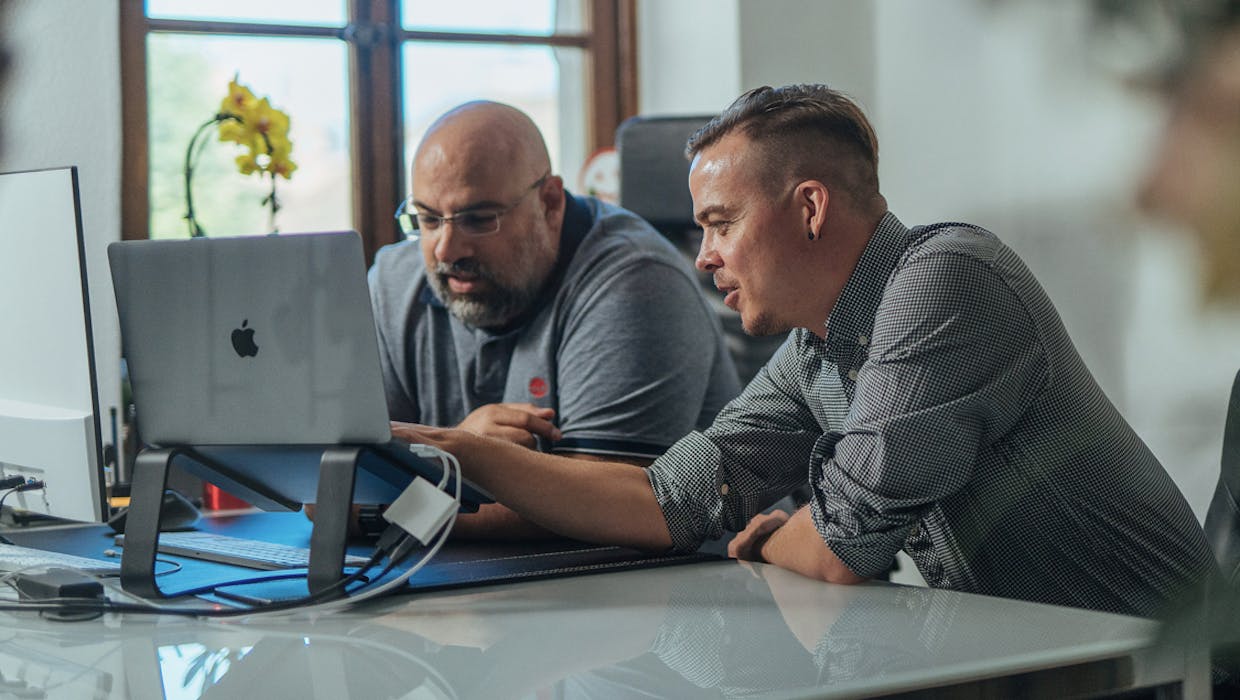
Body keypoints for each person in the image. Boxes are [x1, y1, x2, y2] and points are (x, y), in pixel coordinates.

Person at [396, 84, 1217, 618]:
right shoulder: (814, 352)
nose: (702, 256)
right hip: (1039, 665)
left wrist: (774, 534)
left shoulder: (946, 282)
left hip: (1160, 675)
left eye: (719, 223)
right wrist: (466, 455)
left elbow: (834, 552)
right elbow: (668, 499)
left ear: (810, 208)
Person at [369, 101, 740, 538]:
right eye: (428, 220)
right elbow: (338, 479)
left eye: (479, 219)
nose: (447, 250)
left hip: (682, 591)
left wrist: (447, 466)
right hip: (473, 585)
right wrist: (459, 451)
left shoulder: (635, 279)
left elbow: (608, 509)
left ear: (549, 202)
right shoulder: (394, 281)